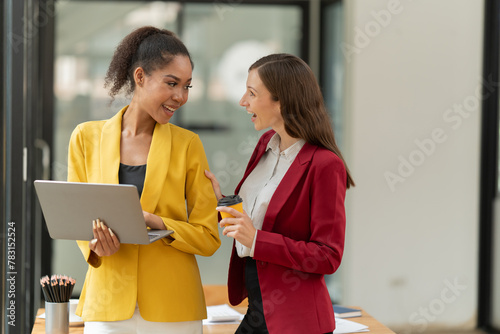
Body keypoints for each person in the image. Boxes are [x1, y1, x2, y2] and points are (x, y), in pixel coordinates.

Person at [68, 26, 220, 334]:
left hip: (173, 308)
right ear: (140, 77)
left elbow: (208, 237)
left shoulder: (188, 145)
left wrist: (158, 222)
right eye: (172, 83)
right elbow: (76, 219)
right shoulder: (86, 138)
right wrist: (96, 248)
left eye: (187, 86)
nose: (181, 96)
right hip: (108, 305)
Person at [205, 53, 354, 334]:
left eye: (251, 93)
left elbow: (328, 256)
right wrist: (225, 204)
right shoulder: (265, 144)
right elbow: (261, 216)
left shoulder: (324, 164)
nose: (242, 102)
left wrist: (259, 241)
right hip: (257, 309)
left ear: (281, 100)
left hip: (296, 321)